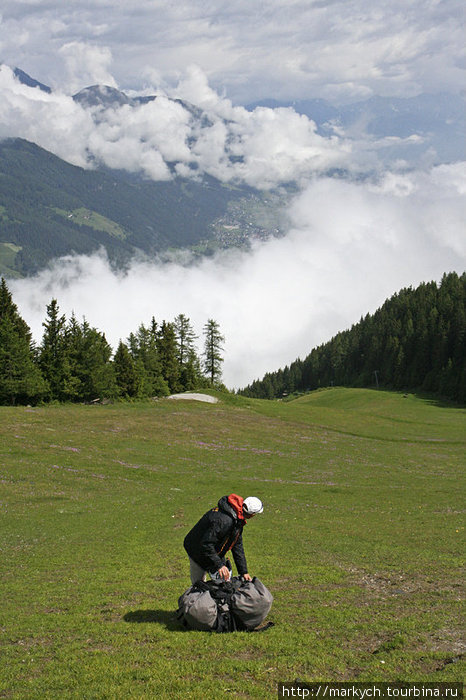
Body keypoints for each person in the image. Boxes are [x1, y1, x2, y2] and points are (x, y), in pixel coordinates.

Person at [184, 494, 263, 584]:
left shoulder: (237, 519)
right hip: (196, 549)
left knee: (224, 582)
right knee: (199, 586)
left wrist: (243, 571)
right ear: (252, 515)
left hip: (212, 549)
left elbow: (237, 546)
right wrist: (219, 565)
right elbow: (206, 544)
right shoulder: (225, 521)